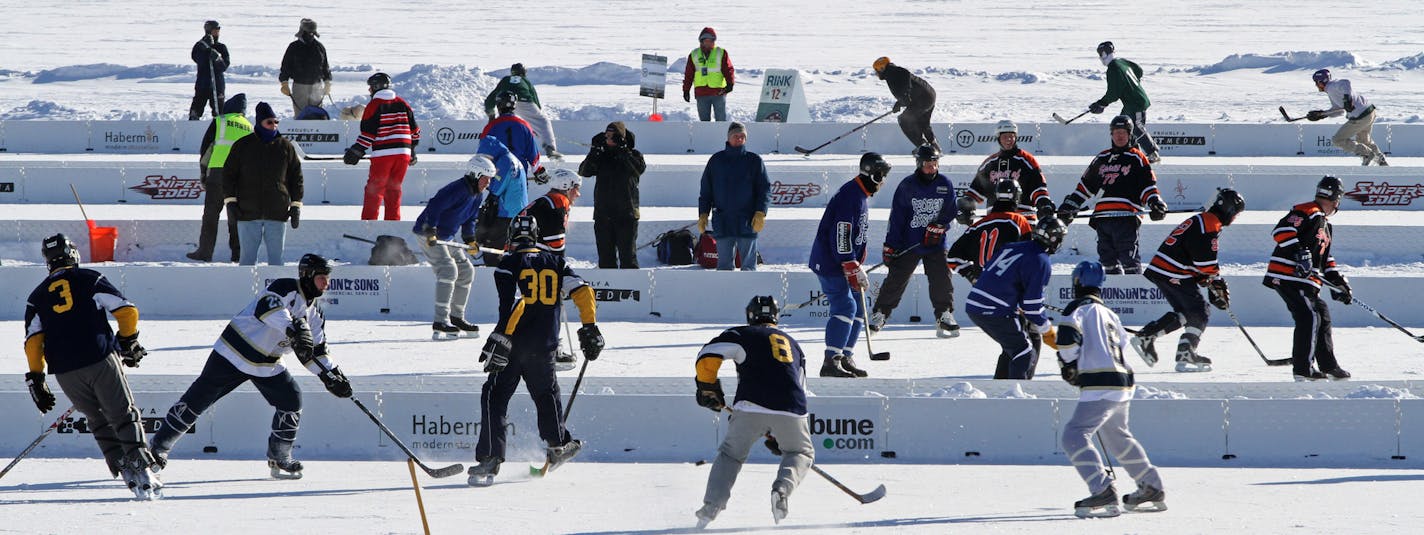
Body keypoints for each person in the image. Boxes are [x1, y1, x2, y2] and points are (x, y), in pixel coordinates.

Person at [150, 254, 352, 480]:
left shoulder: (315, 314)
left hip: (267, 363)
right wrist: (293, 331)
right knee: (197, 400)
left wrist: (331, 375)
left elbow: (315, 352)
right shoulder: (284, 287)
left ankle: (279, 456)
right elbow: (267, 310)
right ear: (307, 276)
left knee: (292, 399)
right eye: (322, 278)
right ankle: (158, 448)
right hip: (233, 353)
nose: (326, 284)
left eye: (328, 279)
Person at [467, 215, 605, 486]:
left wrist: (501, 339)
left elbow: (517, 304)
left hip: (514, 345)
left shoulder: (507, 265)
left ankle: (491, 458)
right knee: (546, 393)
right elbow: (583, 290)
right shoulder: (557, 262)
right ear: (537, 236)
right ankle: (558, 444)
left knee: (494, 396)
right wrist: (590, 327)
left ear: (511, 238)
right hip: (544, 346)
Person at [23, 234, 159, 499]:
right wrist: (127, 340)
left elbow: (33, 342)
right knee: (122, 413)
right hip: (98, 358)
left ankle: (123, 469)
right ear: (73, 255)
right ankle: (143, 471)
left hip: (64, 370)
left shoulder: (36, 296)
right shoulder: (88, 278)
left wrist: (36, 379)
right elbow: (127, 311)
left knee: (97, 420)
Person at [1055, 260, 1167, 518]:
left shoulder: (1076, 308)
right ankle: (1152, 486)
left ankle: (1102, 489)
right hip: (1123, 381)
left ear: (1077, 282)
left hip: (1099, 382)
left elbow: (1068, 342)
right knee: (1116, 435)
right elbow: (1121, 343)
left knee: (1074, 435)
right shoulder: (1110, 313)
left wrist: (1068, 365)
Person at [692, 296, 814, 528]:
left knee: (731, 455)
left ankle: (710, 508)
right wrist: (780, 434)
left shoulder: (742, 334)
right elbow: (801, 387)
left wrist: (707, 387)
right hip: (793, 408)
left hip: (750, 404)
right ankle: (782, 491)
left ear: (750, 315)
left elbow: (708, 355)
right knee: (799, 452)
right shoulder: (793, 344)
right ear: (776, 317)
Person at [1132, 188, 1247, 373]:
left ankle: (1149, 336)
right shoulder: (1210, 223)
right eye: (1235, 214)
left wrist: (1205, 277)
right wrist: (1214, 279)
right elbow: (1204, 259)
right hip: (1173, 271)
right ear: (1228, 210)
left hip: (1165, 269)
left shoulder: (1203, 219)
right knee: (1200, 311)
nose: (1234, 219)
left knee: (1187, 312)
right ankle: (1184, 351)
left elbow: (1194, 253)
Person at [808, 153, 891, 378]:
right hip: (831, 262)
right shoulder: (851, 197)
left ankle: (845, 356)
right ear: (873, 175)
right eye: (882, 176)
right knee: (845, 307)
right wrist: (850, 264)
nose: (883, 182)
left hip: (843, 261)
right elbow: (842, 233)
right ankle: (830, 361)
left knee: (857, 304)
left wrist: (854, 263)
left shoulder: (858, 194)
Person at [1263, 176, 1353, 381]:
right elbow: (1282, 230)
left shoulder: (1326, 226)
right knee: (1309, 316)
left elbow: (1325, 260)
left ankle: (1329, 366)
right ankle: (1303, 369)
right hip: (1288, 276)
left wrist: (1338, 283)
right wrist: (1299, 253)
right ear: (1336, 199)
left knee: (1321, 314)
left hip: (1307, 281)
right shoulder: (1309, 211)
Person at [1057, 115, 1167, 275]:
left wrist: (1155, 202)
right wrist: (1071, 205)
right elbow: (1085, 187)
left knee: (1129, 258)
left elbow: (1147, 186)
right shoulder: (1102, 157)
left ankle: (1133, 292)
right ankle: (1113, 295)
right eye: (1116, 132)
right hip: (1103, 218)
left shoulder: (1136, 157)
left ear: (1130, 135)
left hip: (1126, 217)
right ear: (1111, 135)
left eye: (1123, 132)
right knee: (1107, 261)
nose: (1120, 136)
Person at [868, 144, 958, 338]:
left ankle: (944, 314)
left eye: (935, 163)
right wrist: (890, 245)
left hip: (935, 243)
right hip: (910, 243)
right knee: (896, 279)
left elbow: (950, 211)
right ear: (919, 164)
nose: (932, 167)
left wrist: (940, 226)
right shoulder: (907, 185)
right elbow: (897, 217)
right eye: (927, 163)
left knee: (942, 277)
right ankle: (880, 313)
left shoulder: (945, 184)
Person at [947, 179, 1039, 357]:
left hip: (983, 294)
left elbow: (952, 257)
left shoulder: (979, 224)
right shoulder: (1019, 221)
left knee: (1012, 345)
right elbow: (1029, 260)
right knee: (1027, 341)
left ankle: (1006, 381)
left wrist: (973, 277)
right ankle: (1017, 383)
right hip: (1008, 293)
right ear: (1017, 197)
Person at [966, 217, 1066, 380]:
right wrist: (1047, 330)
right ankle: (1015, 398)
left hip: (976, 302)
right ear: (1054, 239)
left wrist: (1013, 300)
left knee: (1014, 347)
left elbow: (995, 274)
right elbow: (1032, 306)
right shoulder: (1041, 260)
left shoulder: (1013, 247)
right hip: (994, 310)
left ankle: (1001, 390)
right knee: (1024, 352)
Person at [414, 156, 496, 341]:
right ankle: (440, 320)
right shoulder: (458, 189)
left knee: (466, 271)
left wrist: (470, 240)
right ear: (475, 174)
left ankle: (456, 316)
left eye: (490, 179)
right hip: (427, 234)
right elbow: (434, 206)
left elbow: (470, 219)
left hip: (446, 237)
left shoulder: (477, 194)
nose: (488, 182)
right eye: (486, 178)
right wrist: (430, 230)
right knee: (448, 270)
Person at [223, 102, 303, 266]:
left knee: (276, 260)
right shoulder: (243, 145)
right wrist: (230, 202)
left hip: (277, 211)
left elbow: (296, 177)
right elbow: (229, 175)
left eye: (276, 122)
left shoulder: (286, 147)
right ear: (259, 123)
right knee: (247, 260)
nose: (274, 126)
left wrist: (295, 205)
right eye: (269, 122)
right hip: (247, 212)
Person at [344, 72, 421, 221]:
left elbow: (368, 133)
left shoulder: (374, 105)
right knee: (394, 189)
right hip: (403, 155)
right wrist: (412, 150)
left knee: (375, 189)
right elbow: (415, 132)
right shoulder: (403, 103)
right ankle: (393, 225)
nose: (369, 91)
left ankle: (368, 224)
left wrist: (356, 151)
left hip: (384, 155)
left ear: (375, 87)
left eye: (370, 87)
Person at [698, 122, 770, 271]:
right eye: (736, 136)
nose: (739, 139)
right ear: (728, 138)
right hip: (723, 220)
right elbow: (706, 191)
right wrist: (703, 214)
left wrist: (760, 212)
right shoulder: (716, 161)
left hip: (748, 220)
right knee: (724, 267)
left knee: (749, 267)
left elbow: (764, 189)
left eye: (742, 136)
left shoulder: (754, 161)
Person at [187, 93, 249, 263]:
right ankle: (238, 254)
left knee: (211, 216)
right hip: (240, 179)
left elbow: (206, 149)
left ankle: (204, 252)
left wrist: (203, 172)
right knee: (235, 218)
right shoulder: (249, 126)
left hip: (218, 174)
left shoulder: (219, 121)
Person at [579, 121, 647, 268]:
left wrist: (623, 150)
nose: (608, 139)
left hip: (626, 215)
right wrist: (594, 151)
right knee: (605, 260)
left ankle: (630, 287)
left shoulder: (634, 155)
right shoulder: (601, 155)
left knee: (628, 259)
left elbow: (637, 170)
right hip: (603, 214)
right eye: (606, 136)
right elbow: (584, 172)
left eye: (612, 136)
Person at [959, 120, 1053, 225]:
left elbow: (1039, 187)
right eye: (1005, 136)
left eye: (1011, 136)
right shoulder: (989, 163)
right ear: (998, 138)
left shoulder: (1027, 160)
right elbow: (975, 191)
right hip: (994, 220)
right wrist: (965, 205)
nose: (1008, 139)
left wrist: (1043, 203)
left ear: (1016, 137)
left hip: (1023, 221)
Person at [1088, 41, 1158, 163]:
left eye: (1100, 55)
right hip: (1131, 102)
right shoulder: (1122, 62)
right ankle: (1132, 154)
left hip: (1136, 102)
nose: (1100, 58)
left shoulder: (1113, 68)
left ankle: (1152, 153)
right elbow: (1138, 70)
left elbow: (1113, 93)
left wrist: (1101, 103)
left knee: (1135, 127)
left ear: (1104, 54)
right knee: (1124, 124)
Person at [1307, 69, 1387, 166]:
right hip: (1369, 112)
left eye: (1316, 82)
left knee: (1337, 140)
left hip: (1360, 117)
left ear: (1321, 82)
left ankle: (1367, 154)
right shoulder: (1331, 90)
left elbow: (1346, 82)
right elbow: (1339, 110)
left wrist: (1347, 99)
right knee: (1364, 141)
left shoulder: (1331, 86)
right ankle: (1382, 162)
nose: (1316, 85)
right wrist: (1322, 114)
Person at [472, 136, 530, 265]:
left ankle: (493, 272)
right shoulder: (510, 158)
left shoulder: (505, 162)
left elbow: (496, 189)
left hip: (506, 212)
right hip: (516, 209)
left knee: (492, 247)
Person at [484, 63, 561, 159]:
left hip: (505, 103)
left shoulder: (505, 80)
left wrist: (491, 114)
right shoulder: (525, 81)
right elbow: (536, 102)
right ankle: (550, 148)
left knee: (504, 124)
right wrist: (536, 125)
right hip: (525, 102)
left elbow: (491, 98)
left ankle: (493, 150)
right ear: (524, 72)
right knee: (543, 121)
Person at [872, 56, 937, 151]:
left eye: (876, 71)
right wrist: (900, 102)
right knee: (923, 124)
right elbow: (904, 94)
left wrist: (904, 96)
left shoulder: (892, 73)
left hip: (923, 99)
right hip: (929, 95)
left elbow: (905, 76)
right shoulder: (892, 72)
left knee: (904, 120)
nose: (876, 74)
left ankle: (922, 147)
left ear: (882, 68)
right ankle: (934, 147)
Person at [278, 18, 331, 117]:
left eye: (312, 33)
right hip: (299, 86)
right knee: (301, 116)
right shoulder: (293, 47)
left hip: (316, 87)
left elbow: (325, 67)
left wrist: (327, 82)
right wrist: (284, 82)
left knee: (317, 116)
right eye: (308, 32)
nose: (310, 35)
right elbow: (286, 66)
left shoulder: (319, 47)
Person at [482, 91, 543, 176]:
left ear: (499, 105)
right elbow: (533, 153)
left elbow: (483, 153)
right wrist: (538, 171)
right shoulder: (525, 126)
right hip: (519, 174)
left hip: (498, 175)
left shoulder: (491, 126)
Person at [682, 27, 735, 122]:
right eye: (705, 41)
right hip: (701, 93)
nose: (708, 43)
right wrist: (686, 90)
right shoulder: (694, 54)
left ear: (714, 41)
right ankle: (706, 136)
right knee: (704, 122)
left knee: (721, 120)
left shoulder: (721, 53)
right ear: (701, 41)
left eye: (710, 40)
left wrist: (730, 84)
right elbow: (688, 74)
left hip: (719, 92)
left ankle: (721, 136)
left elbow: (728, 69)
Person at [189, 20, 228, 120]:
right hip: (203, 83)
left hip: (217, 84)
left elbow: (224, 66)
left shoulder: (221, 47)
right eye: (215, 30)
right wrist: (206, 52)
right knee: (196, 108)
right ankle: (192, 125)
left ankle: (219, 131)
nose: (217, 32)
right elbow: (196, 58)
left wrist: (217, 59)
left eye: (218, 30)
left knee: (219, 110)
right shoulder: (199, 46)